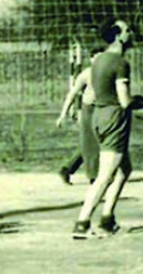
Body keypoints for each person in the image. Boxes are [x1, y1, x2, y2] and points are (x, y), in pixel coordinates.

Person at [72, 19, 143, 239]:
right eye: (127, 30)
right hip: (114, 119)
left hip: (99, 117)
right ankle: (82, 223)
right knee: (105, 175)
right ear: (118, 36)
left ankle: (107, 219)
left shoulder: (98, 61)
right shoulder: (120, 63)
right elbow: (125, 100)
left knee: (124, 170)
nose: (131, 33)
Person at [55, 47, 104, 185]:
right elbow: (72, 94)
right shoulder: (87, 74)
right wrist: (63, 114)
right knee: (92, 143)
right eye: (96, 57)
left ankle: (67, 168)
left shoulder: (108, 72)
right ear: (91, 59)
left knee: (95, 142)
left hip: (103, 109)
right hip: (89, 109)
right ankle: (94, 176)